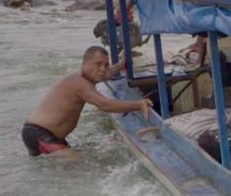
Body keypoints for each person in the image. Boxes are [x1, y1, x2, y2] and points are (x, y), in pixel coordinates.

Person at [22, 45, 152, 156]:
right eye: (98, 64)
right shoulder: (78, 82)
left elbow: (108, 72)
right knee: (74, 162)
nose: (102, 69)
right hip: (38, 133)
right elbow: (105, 104)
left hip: (50, 136)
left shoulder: (92, 76)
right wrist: (138, 104)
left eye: (105, 65)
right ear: (84, 64)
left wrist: (120, 64)